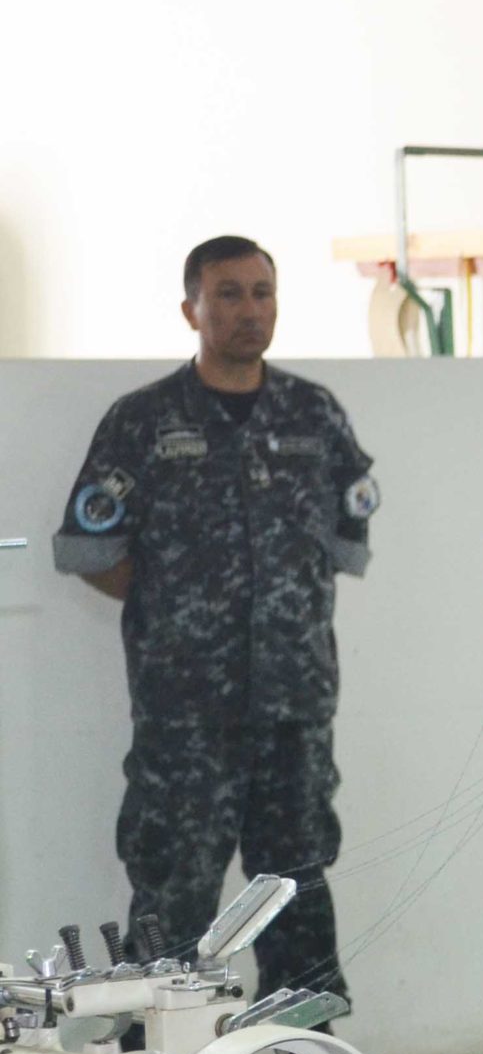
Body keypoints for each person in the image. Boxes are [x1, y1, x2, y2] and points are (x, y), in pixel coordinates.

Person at [54, 235, 374, 1004]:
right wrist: (177, 616)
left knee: (295, 881)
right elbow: (93, 551)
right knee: (175, 888)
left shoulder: (315, 415)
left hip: (294, 708)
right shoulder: (144, 420)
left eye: (262, 292)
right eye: (227, 294)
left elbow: (338, 545)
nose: (248, 310)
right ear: (190, 308)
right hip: (186, 714)